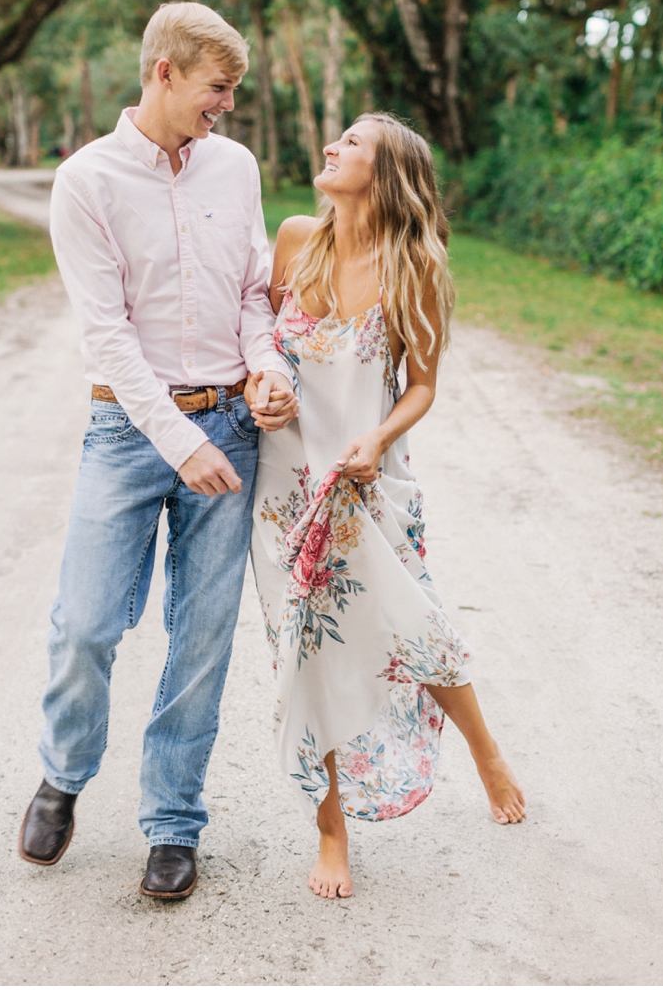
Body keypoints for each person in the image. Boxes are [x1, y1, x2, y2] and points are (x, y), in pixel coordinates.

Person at [18, 2, 297, 900]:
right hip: (129, 429)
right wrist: (178, 443)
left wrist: (264, 369)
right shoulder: (86, 182)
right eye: (218, 88)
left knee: (202, 637)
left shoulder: (236, 166)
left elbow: (255, 289)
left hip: (232, 427)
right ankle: (64, 774)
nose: (227, 105)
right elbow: (108, 337)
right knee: (87, 624)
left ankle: (173, 824)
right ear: (165, 73)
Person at [248, 113, 525, 900]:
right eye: (335, 139)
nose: (331, 148)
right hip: (287, 486)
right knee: (302, 652)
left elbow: (425, 385)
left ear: (387, 171)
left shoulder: (416, 265)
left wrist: (377, 437)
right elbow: (264, 347)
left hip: (370, 478)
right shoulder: (298, 238)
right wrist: (261, 387)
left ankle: (484, 748)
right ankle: (331, 832)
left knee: (414, 622)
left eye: (352, 144)